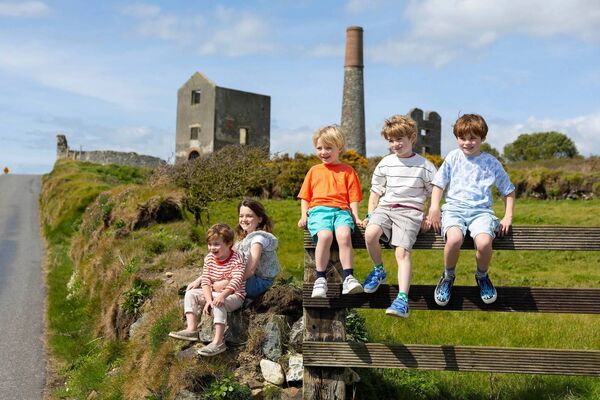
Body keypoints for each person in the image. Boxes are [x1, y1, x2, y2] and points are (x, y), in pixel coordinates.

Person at [427, 113, 515, 306]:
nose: (467, 142)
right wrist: (434, 207)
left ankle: (482, 276)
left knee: (484, 243)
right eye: (462, 138)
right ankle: (448, 277)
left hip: (481, 212)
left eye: (472, 138)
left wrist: (507, 217)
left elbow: (508, 191)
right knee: (455, 239)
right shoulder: (453, 157)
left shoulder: (491, 162)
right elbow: (439, 184)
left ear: (482, 138)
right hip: (454, 210)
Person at [360, 115, 437, 317]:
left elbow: (434, 194)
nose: (395, 144)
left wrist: (429, 216)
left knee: (401, 252)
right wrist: (370, 214)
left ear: (412, 138)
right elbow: (375, 192)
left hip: (410, 213)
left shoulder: (425, 166)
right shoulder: (385, 163)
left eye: (399, 139)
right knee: (370, 234)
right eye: (391, 141)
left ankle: (402, 300)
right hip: (385, 209)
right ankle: (379, 270)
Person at [298, 124, 364, 298]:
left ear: (339, 148)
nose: (323, 152)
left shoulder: (348, 171)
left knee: (344, 236)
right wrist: (303, 214)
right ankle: (320, 280)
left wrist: (356, 217)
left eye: (328, 148)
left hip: (342, 211)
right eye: (319, 148)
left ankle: (349, 277)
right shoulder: (314, 171)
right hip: (319, 211)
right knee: (325, 236)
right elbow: (305, 196)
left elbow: (353, 198)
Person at [168, 223, 246, 357]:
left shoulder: (237, 259)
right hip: (214, 293)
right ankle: (191, 329)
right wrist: (208, 300)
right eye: (210, 244)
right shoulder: (209, 259)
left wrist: (221, 296)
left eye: (216, 244)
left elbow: (236, 280)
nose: (212, 248)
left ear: (229, 244)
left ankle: (218, 342)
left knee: (218, 302)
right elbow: (205, 280)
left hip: (234, 295)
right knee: (191, 293)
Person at [233, 198, 280, 300]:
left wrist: (229, 284)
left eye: (249, 216)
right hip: (247, 278)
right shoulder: (241, 240)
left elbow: (250, 270)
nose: (244, 219)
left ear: (259, 219)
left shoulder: (258, 240)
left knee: (221, 284)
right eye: (241, 216)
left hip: (258, 282)